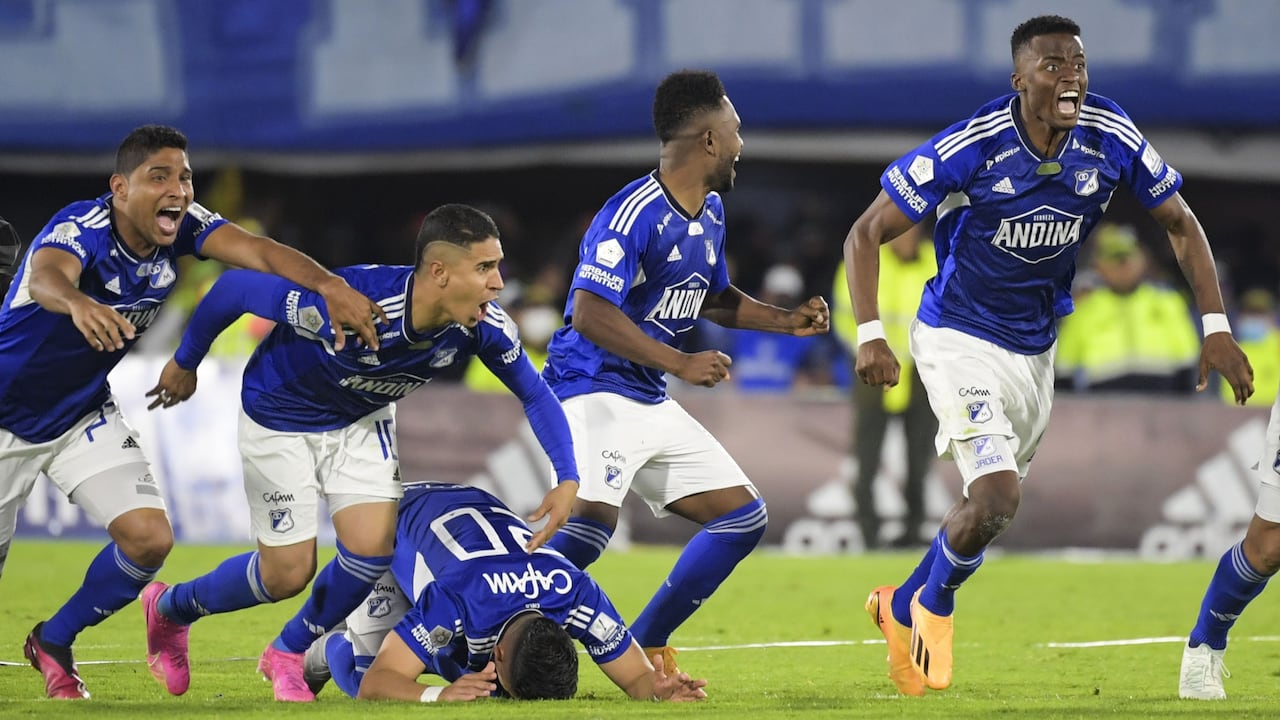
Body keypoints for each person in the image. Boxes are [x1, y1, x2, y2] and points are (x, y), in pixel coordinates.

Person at [843, 15, 1254, 696]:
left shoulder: (1110, 133)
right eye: (1054, 66)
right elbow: (865, 233)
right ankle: (933, 611)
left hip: (1034, 348)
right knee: (996, 492)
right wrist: (869, 334)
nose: (1072, 78)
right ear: (1020, 80)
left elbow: (1180, 223)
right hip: (957, 336)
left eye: (1080, 65)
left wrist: (1215, 323)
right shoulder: (973, 144)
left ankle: (898, 603)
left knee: (996, 512)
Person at [0, 125, 386, 701]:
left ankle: (53, 641)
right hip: (6, 416)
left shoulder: (182, 230)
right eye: (160, 176)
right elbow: (48, 276)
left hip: (78, 415)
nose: (178, 189)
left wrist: (330, 285)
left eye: (184, 176)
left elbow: (260, 253)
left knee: (148, 540)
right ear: (119, 188)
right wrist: (79, 302)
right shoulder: (83, 227)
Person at [139, 203, 580, 702]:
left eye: (497, 267)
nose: (498, 283)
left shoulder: (482, 325)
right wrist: (185, 361)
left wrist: (567, 477)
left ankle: (288, 650)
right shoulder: (354, 304)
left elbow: (536, 394)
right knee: (286, 573)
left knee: (372, 551)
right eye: (484, 268)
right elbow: (232, 290)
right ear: (439, 272)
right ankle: (171, 608)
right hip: (281, 411)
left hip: (361, 417)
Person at [540, 69, 830, 670]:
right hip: (588, 385)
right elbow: (590, 312)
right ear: (707, 140)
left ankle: (643, 640)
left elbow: (714, 296)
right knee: (592, 522)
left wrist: (787, 321)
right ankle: (475, 618)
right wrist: (680, 361)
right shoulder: (633, 213)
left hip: (644, 393)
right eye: (736, 129)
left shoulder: (712, 211)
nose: (741, 142)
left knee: (741, 517)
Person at [302, 481, 708, 703]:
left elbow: (637, 675)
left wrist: (657, 690)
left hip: (460, 515)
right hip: (386, 526)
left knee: (468, 675)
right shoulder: (459, 598)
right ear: (497, 652)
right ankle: (327, 649)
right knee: (367, 685)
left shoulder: (576, 592)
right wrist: (437, 696)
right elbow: (380, 683)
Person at [833, 224, 938, 549]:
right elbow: (843, 316)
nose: (905, 234)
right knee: (866, 456)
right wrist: (867, 352)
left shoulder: (937, 258)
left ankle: (913, 533)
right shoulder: (866, 258)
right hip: (873, 371)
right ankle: (868, 534)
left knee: (919, 460)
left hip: (922, 373)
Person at [1055, 223, 1200, 392]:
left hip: (1162, 400)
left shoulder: (1167, 301)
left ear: (1143, 260)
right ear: (1099, 266)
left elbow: (1188, 362)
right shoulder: (1083, 310)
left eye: (1128, 258)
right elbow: (1064, 371)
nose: (1123, 266)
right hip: (1103, 405)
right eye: (1115, 260)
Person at [1218, 288, 1280, 407]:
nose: (1253, 318)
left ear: (1271, 317)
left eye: (1259, 313)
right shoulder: (1231, 350)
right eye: (1250, 313)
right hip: (1238, 418)